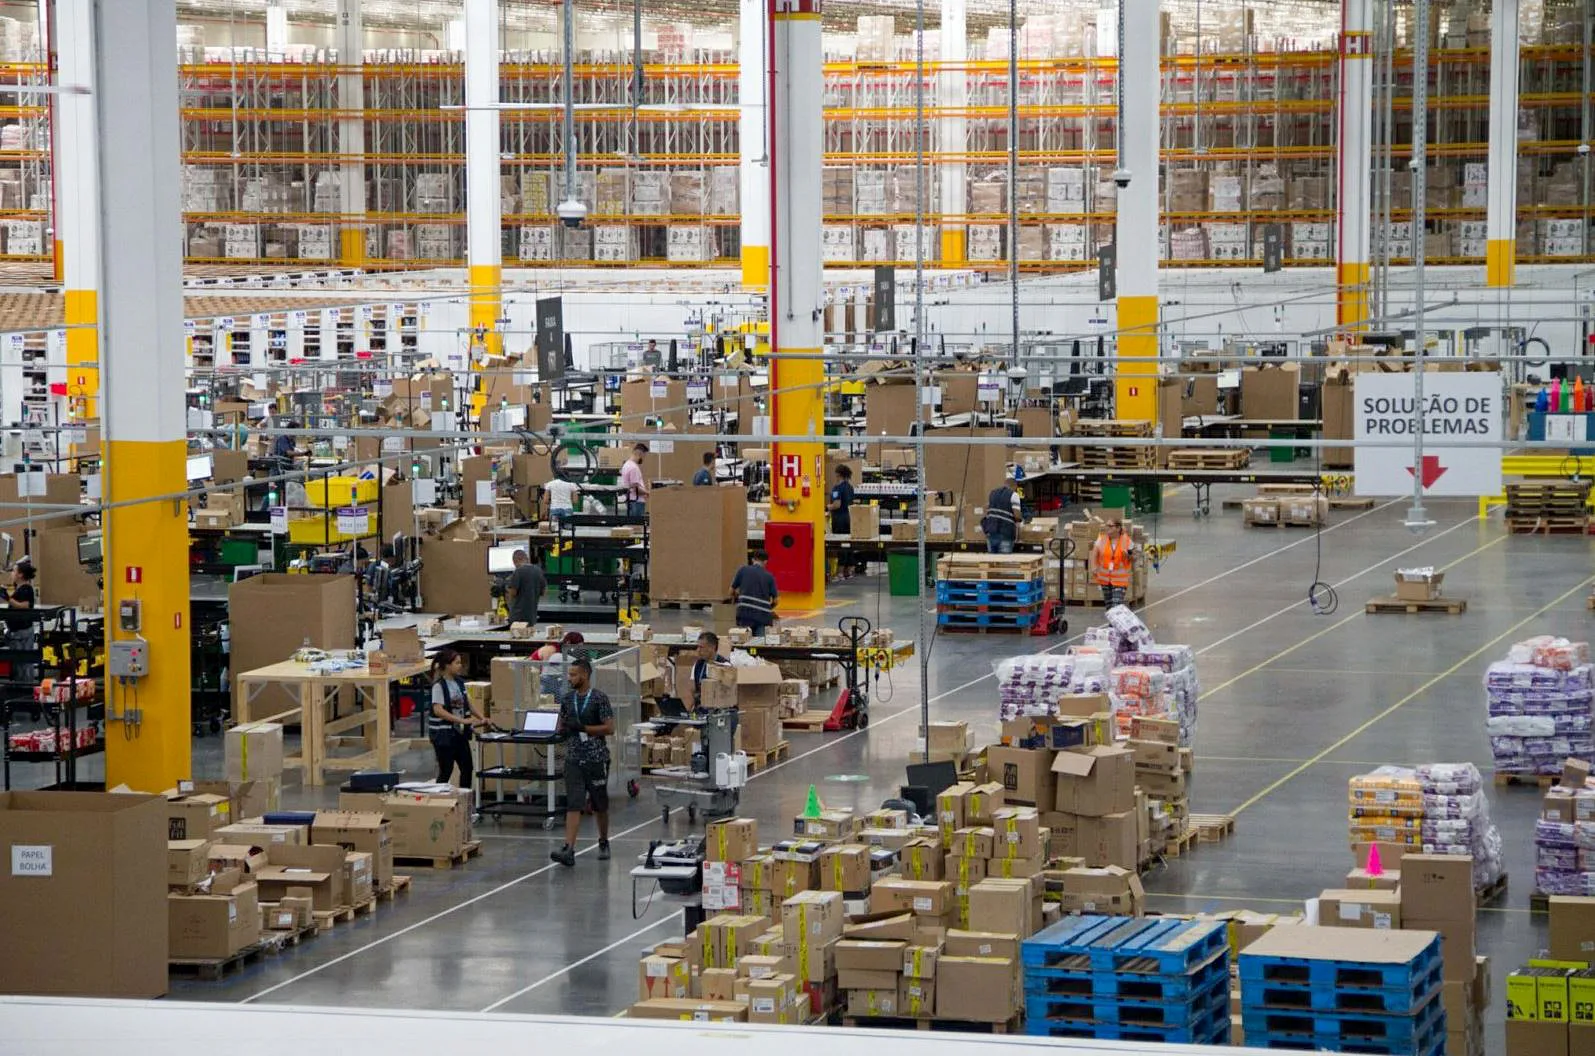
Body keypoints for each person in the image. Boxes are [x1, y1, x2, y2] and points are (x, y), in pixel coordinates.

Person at [551, 655, 615, 866]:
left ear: (585, 675)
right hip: (574, 758)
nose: (570, 678)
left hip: (596, 758)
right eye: (569, 674)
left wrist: (584, 728)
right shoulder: (568, 699)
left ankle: (604, 840)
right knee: (574, 803)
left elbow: (609, 728)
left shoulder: (599, 698)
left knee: (599, 804)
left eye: (573, 674)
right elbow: (561, 723)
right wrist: (562, 729)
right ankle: (569, 848)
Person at [428, 649, 485, 788]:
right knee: (446, 770)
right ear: (447, 665)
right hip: (444, 736)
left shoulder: (459, 682)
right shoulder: (438, 686)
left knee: (467, 767)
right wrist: (462, 721)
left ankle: (464, 799)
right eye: (457, 663)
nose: (460, 665)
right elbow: (438, 710)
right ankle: (437, 801)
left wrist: (482, 717)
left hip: (459, 734)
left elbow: (467, 703)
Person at [731, 551, 779, 639]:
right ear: (765, 562)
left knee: (744, 640)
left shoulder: (743, 570)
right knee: (759, 643)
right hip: (762, 616)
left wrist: (737, 598)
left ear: (753, 559)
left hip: (744, 613)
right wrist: (769, 608)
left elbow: (731, 590)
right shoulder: (769, 576)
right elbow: (776, 601)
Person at [1090, 517, 1135, 609]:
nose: (1107, 528)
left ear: (1118, 528)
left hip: (1120, 581)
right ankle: (1113, 623)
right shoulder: (1102, 539)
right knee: (1109, 606)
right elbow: (1094, 553)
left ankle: (1115, 623)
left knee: (1116, 606)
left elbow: (1134, 557)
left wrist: (1128, 556)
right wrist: (1093, 566)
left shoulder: (1127, 541)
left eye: (1110, 526)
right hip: (1105, 579)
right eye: (1107, 526)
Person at [828, 464, 859, 579]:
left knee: (840, 545)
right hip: (849, 518)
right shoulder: (850, 487)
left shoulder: (837, 489)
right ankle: (849, 571)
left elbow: (836, 505)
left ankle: (840, 573)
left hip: (839, 519)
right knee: (848, 544)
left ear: (838, 474)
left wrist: (827, 507)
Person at [981, 470, 1023, 554]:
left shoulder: (993, 493)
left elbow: (986, 512)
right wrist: (1022, 520)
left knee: (992, 562)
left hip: (991, 533)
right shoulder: (1014, 495)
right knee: (1004, 563)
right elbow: (1017, 516)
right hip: (1005, 534)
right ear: (1015, 486)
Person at [688, 630, 729, 711]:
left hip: (718, 712)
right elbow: (693, 690)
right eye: (698, 647)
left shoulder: (725, 666)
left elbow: (728, 695)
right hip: (701, 709)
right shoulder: (697, 665)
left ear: (712, 647)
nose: (698, 650)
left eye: (701, 647)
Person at [535, 631, 586, 695]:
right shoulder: (554, 651)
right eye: (578, 647)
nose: (579, 650)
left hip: (544, 686)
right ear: (569, 643)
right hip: (557, 688)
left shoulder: (555, 655)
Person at [505, 549, 546, 626]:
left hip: (517, 617)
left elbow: (513, 593)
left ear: (515, 560)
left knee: (517, 636)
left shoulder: (518, 572)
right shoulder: (538, 571)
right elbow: (543, 592)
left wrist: (507, 589)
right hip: (532, 617)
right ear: (526, 558)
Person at [620, 442, 650, 517]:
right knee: (637, 526)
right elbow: (636, 489)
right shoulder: (634, 468)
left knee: (632, 526)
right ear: (640, 454)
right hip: (637, 502)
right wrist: (647, 493)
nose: (644, 458)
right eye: (644, 456)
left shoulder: (626, 465)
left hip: (631, 500)